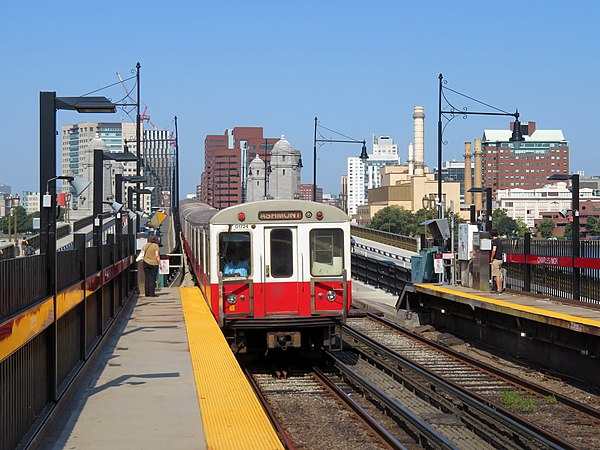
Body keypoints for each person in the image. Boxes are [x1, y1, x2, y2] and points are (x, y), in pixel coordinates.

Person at [489, 229, 504, 293]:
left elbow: (494, 250)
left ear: (491, 235)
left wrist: (491, 258)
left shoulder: (495, 241)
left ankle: (498, 289)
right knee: (500, 275)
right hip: (500, 260)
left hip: (496, 260)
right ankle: (500, 289)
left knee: (496, 275)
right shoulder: (500, 241)